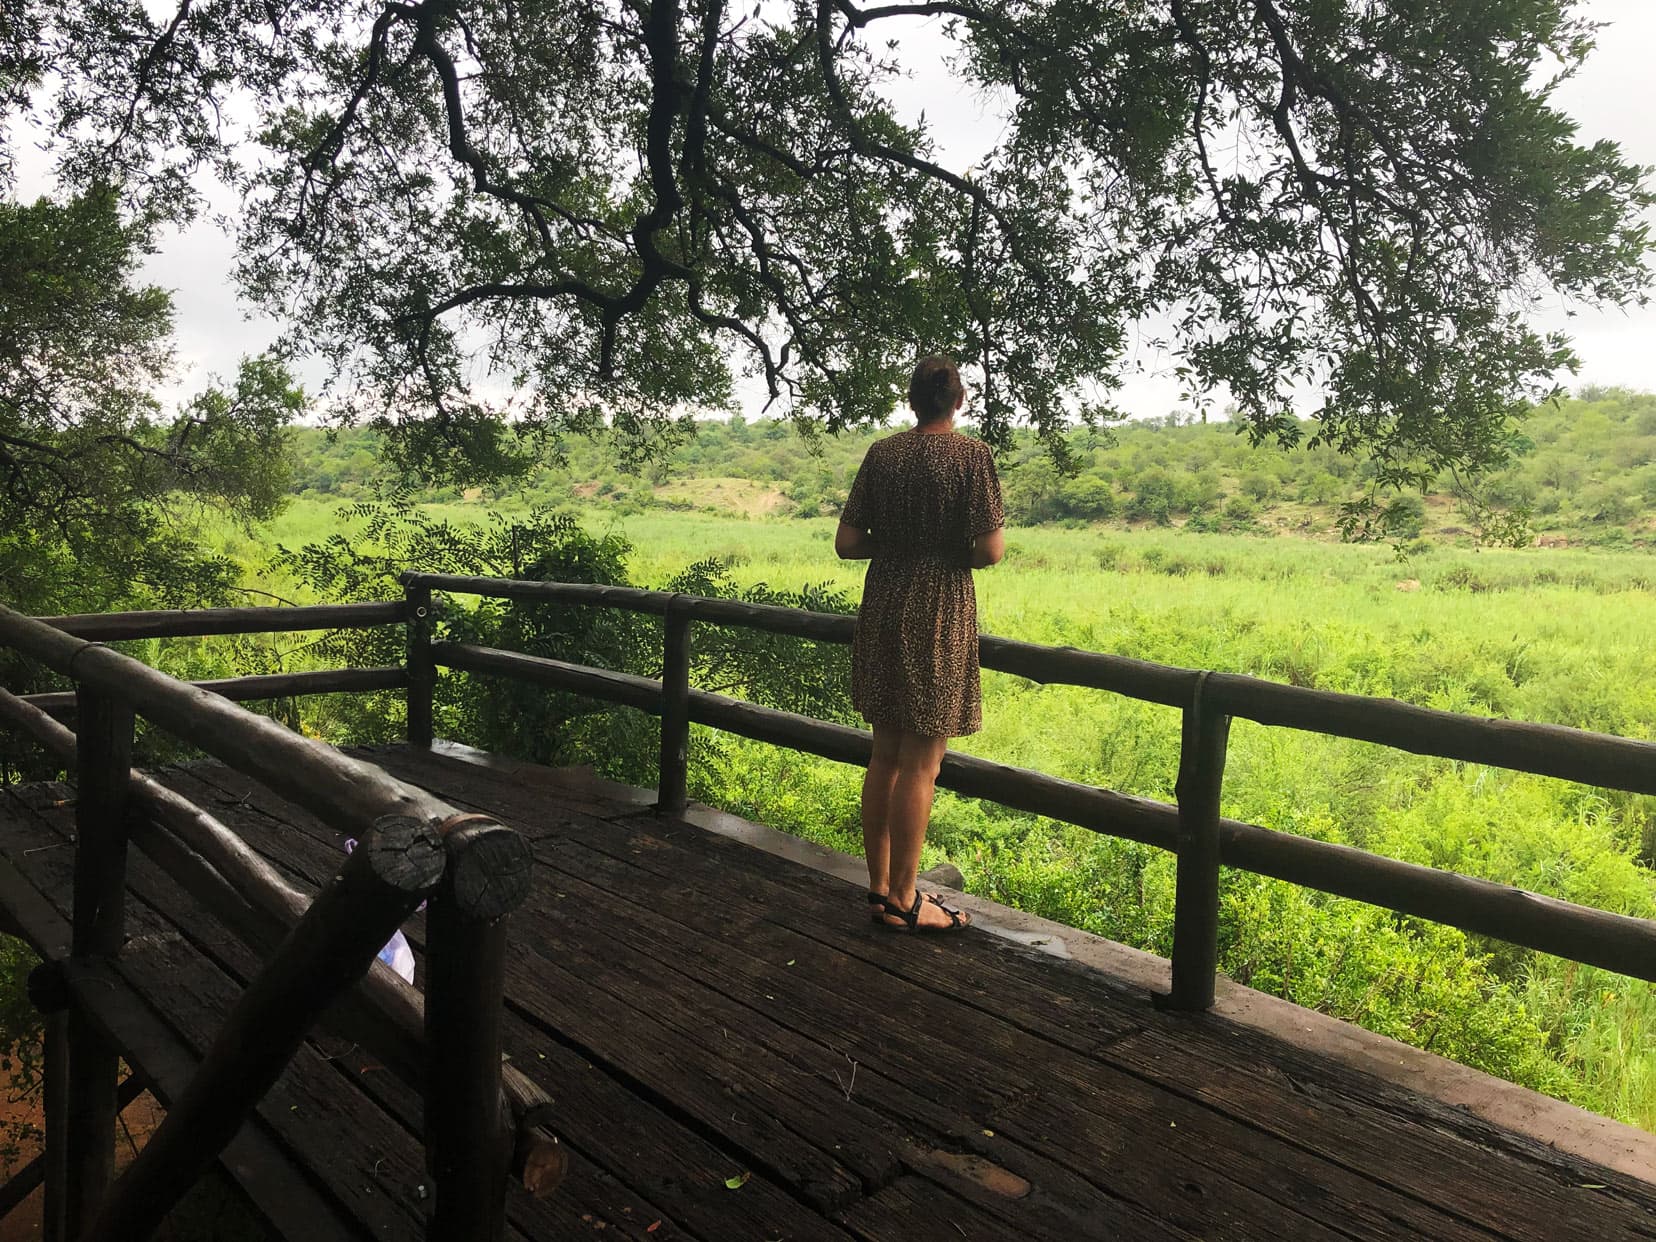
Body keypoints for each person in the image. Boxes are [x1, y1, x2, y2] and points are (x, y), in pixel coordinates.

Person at [835, 355, 1005, 933]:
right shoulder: (972, 457)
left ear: (912, 401)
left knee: (885, 753)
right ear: (957, 401)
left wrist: (898, 546)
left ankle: (881, 888)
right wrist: (943, 553)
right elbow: (990, 550)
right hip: (939, 609)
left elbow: (848, 541)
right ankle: (907, 900)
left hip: (883, 604)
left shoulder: (883, 454)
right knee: (923, 763)